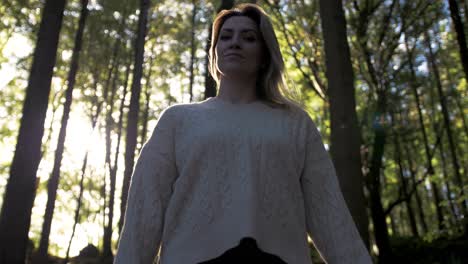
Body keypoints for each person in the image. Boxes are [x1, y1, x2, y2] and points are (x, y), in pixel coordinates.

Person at [114, 3, 372, 264]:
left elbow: (330, 213)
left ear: (264, 55)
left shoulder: (295, 123)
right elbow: (144, 212)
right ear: (215, 53)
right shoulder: (178, 120)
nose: (234, 43)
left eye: (248, 38)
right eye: (225, 37)